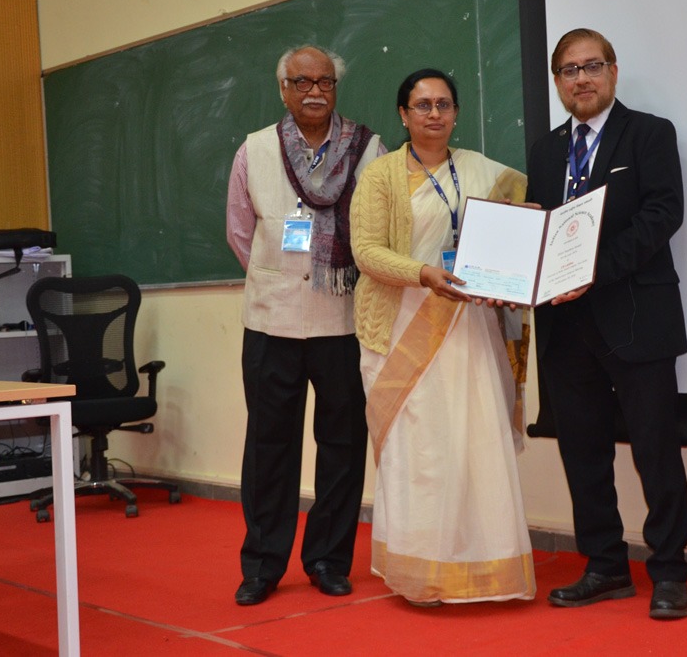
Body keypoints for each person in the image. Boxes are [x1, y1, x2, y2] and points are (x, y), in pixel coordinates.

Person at [349, 69, 536, 606]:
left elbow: (518, 212)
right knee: (420, 453)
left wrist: (521, 224)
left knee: (476, 444)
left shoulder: (479, 169)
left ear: (456, 113)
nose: (435, 114)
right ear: (403, 115)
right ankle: (418, 570)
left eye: (444, 104)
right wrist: (423, 273)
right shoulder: (381, 176)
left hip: (471, 326)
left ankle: (481, 565)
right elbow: (366, 251)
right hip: (402, 325)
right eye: (422, 105)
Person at [526, 28, 687, 620]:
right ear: (558, 83)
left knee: (655, 451)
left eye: (592, 65)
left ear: (613, 71)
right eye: (569, 70)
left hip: (636, 318)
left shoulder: (649, 133)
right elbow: (539, 234)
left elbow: (662, 214)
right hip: (565, 328)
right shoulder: (545, 152)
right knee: (583, 453)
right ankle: (605, 566)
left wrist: (591, 273)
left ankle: (670, 572)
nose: (581, 79)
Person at [226, 44, 385, 606]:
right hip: (270, 320)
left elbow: (378, 229)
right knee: (269, 445)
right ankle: (263, 565)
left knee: (342, 444)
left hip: (342, 320)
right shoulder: (255, 149)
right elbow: (240, 232)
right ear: (283, 89)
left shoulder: (368, 150)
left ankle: (327, 559)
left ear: (335, 88)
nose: (315, 90)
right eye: (302, 81)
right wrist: (284, 278)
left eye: (325, 81)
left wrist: (326, 279)